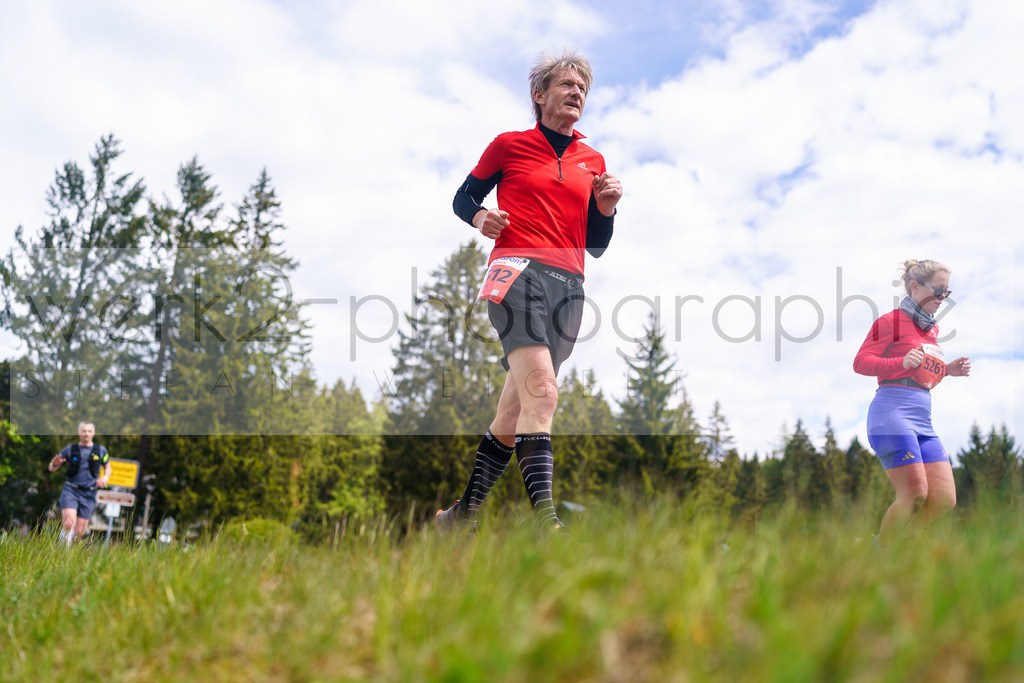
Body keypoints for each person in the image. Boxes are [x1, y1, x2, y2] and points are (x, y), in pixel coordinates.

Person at [436, 48, 622, 532]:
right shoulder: (509, 145)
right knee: (543, 389)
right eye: (566, 84)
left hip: (569, 284)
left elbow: (596, 245)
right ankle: (548, 524)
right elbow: (464, 197)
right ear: (539, 96)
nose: (576, 93)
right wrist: (481, 217)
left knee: (515, 410)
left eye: (582, 88)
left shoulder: (593, 160)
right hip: (517, 270)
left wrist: (605, 208)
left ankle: (460, 517)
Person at [853, 259, 971, 545]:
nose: (943, 298)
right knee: (915, 492)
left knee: (944, 499)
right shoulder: (890, 321)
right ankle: (883, 556)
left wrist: (947, 370)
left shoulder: (931, 330)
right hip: (891, 413)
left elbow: (920, 372)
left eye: (947, 292)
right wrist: (900, 361)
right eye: (939, 290)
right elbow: (861, 362)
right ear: (915, 287)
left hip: (923, 420)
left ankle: (883, 545)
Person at [48, 421, 111, 545]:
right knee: (68, 522)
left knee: (79, 532)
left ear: (93, 433)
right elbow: (51, 467)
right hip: (71, 490)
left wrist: (105, 478)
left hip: (89, 493)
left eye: (89, 431)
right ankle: (61, 552)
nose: (86, 434)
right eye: (83, 431)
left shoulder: (101, 450)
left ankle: (72, 551)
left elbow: (107, 467)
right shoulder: (70, 449)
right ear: (78, 433)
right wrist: (56, 464)